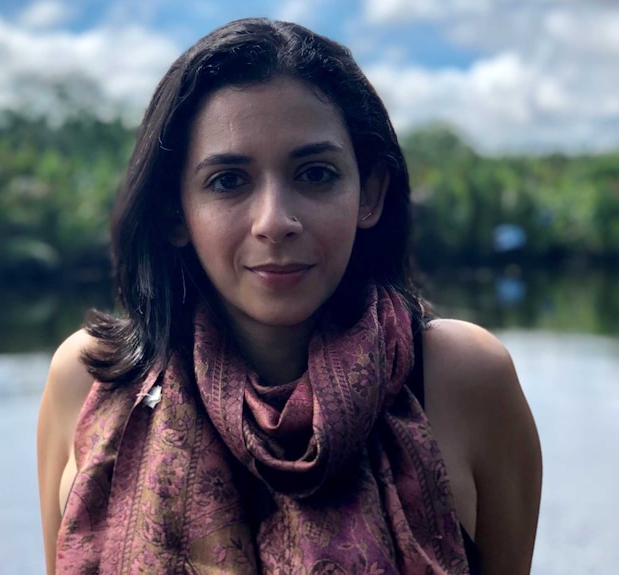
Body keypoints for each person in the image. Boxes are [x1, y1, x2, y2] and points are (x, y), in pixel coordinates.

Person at [37, 18, 541, 575]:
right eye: (228, 180)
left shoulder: (463, 378)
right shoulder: (91, 383)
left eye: (316, 174)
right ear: (175, 212)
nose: (275, 222)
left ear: (369, 194)